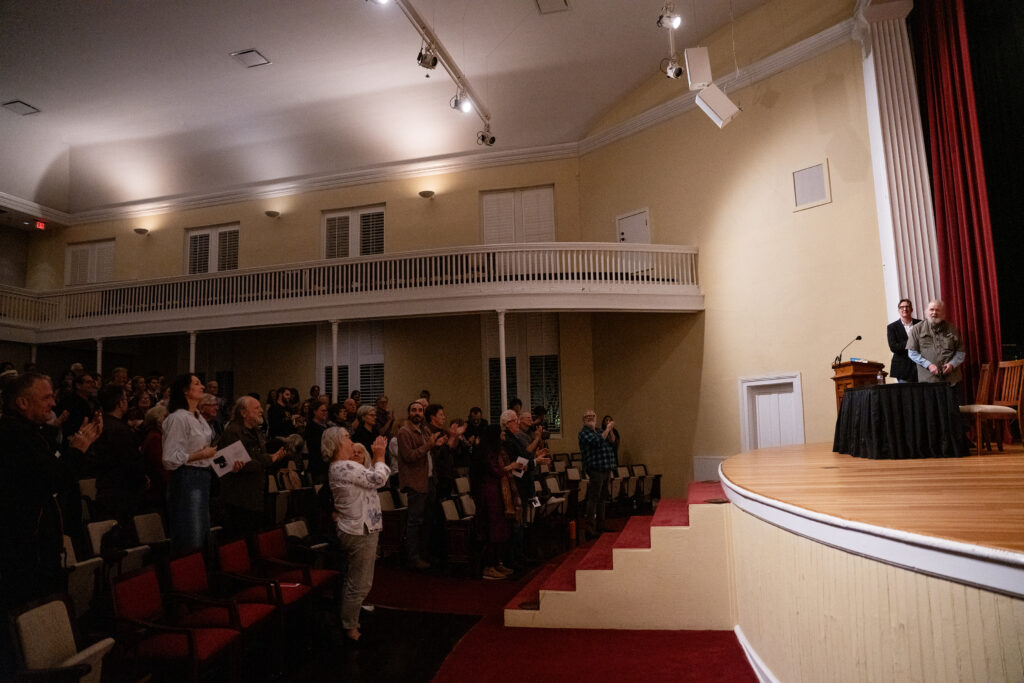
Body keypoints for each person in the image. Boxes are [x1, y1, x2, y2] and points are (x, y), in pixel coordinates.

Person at [0, 372, 100, 611]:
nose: (54, 403)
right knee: (30, 606)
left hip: (36, 539)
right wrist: (77, 451)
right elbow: (53, 479)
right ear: (22, 403)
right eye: (46, 398)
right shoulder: (14, 435)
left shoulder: (30, 432)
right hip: (25, 545)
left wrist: (77, 447)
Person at [325, 427, 390, 643]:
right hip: (357, 529)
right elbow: (379, 479)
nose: (350, 440)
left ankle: (350, 620)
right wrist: (380, 455)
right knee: (360, 582)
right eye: (346, 437)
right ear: (336, 443)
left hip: (361, 526)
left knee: (359, 580)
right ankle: (350, 626)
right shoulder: (343, 466)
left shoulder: (344, 467)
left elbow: (370, 479)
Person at [162, 374, 219, 554]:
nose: (202, 387)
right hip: (187, 477)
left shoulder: (198, 417)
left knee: (202, 531)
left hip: (202, 476)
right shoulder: (178, 418)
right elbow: (169, 458)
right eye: (197, 384)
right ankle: (187, 576)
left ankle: (200, 574)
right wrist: (201, 454)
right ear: (185, 391)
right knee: (190, 533)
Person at [218, 396, 287, 539]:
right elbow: (243, 462)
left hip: (255, 495)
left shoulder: (256, 432)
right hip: (239, 498)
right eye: (256, 408)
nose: (261, 411)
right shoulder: (233, 432)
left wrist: (270, 458)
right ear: (243, 413)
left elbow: (258, 456)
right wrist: (270, 459)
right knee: (240, 538)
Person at [472, 424, 522, 580]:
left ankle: (497, 562)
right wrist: (511, 466)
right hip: (489, 494)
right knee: (492, 530)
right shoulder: (485, 451)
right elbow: (495, 471)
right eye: (500, 433)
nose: (503, 435)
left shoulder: (497, 450)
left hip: (499, 492)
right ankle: (488, 566)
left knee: (502, 529)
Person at [397, 400, 437, 569]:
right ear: (409, 413)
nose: (417, 413)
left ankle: (424, 554)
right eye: (414, 410)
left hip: (427, 479)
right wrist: (428, 445)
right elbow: (409, 456)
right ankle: (412, 558)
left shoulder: (423, 430)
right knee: (414, 522)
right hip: (415, 481)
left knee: (426, 520)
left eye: (420, 410)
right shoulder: (404, 432)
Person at [906, 299, 965, 387]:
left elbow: (961, 352)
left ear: (943, 313)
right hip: (929, 380)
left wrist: (952, 364)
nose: (934, 312)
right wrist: (928, 365)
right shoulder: (916, 329)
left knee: (954, 401)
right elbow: (912, 353)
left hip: (952, 380)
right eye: (932, 309)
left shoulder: (952, 329)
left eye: (937, 310)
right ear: (926, 311)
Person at [578, 410, 618, 538]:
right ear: (583, 419)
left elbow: (612, 441)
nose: (590, 418)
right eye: (587, 416)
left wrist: (611, 429)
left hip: (606, 468)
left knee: (602, 498)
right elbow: (598, 442)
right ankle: (590, 527)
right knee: (593, 498)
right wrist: (607, 429)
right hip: (595, 469)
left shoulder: (600, 430)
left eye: (592, 416)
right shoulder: (583, 433)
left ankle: (601, 526)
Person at [887, 298, 922, 383]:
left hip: (920, 366)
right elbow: (894, 347)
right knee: (906, 395)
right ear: (898, 310)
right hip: (902, 368)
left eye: (907, 306)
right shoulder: (892, 327)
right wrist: (912, 342)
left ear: (912, 309)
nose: (905, 309)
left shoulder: (920, 324)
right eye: (902, 307)